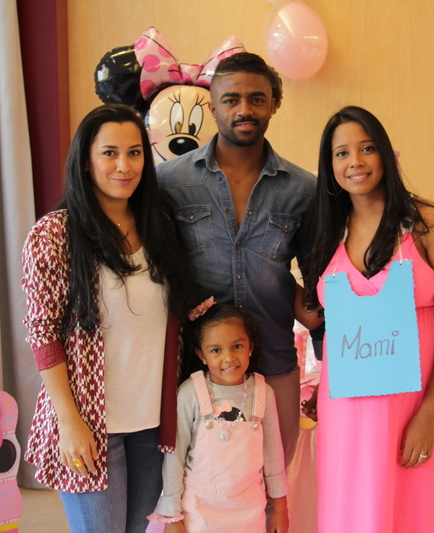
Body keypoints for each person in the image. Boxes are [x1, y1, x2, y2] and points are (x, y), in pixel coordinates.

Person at [21, 104, 196, 532]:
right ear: (86, 160)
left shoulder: (159, 224)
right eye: (110, 153)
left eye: (134, 153)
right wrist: (69, 421)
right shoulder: (54, 234)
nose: (124, 166)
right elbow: (43, 334)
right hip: (90, 421)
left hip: (152, 422)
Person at [302, 106, 434, 532]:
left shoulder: (426, 222)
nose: (355, 162)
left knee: (417, 514)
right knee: (351, 516)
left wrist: (429, 413)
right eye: (342, 153)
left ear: (385, 154)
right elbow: (327, 317)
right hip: (346, 411)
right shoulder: (328, 230)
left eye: (367, 148)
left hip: (413, 405)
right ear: (330, 165)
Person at [156, 52, 316, 466]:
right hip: (197, 367)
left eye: (257, 99)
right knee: (194, 480)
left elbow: (318, 281)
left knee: (273, 476)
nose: (244, 109)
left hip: (274, 360)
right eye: (231, 100)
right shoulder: (169, 181)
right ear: (212, 107)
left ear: (273, 104)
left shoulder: (303, 189)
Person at [150, 302, 289, 533]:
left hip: (249, 507)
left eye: (237, 346)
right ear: (201, 355)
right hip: (199, 507)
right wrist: (172, 516)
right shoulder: (190, 393)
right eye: (216, 350)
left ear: (250, 347)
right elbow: (174, 456)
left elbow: (274, 454)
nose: (228, 358)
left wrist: (281, 508)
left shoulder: (264, 393)